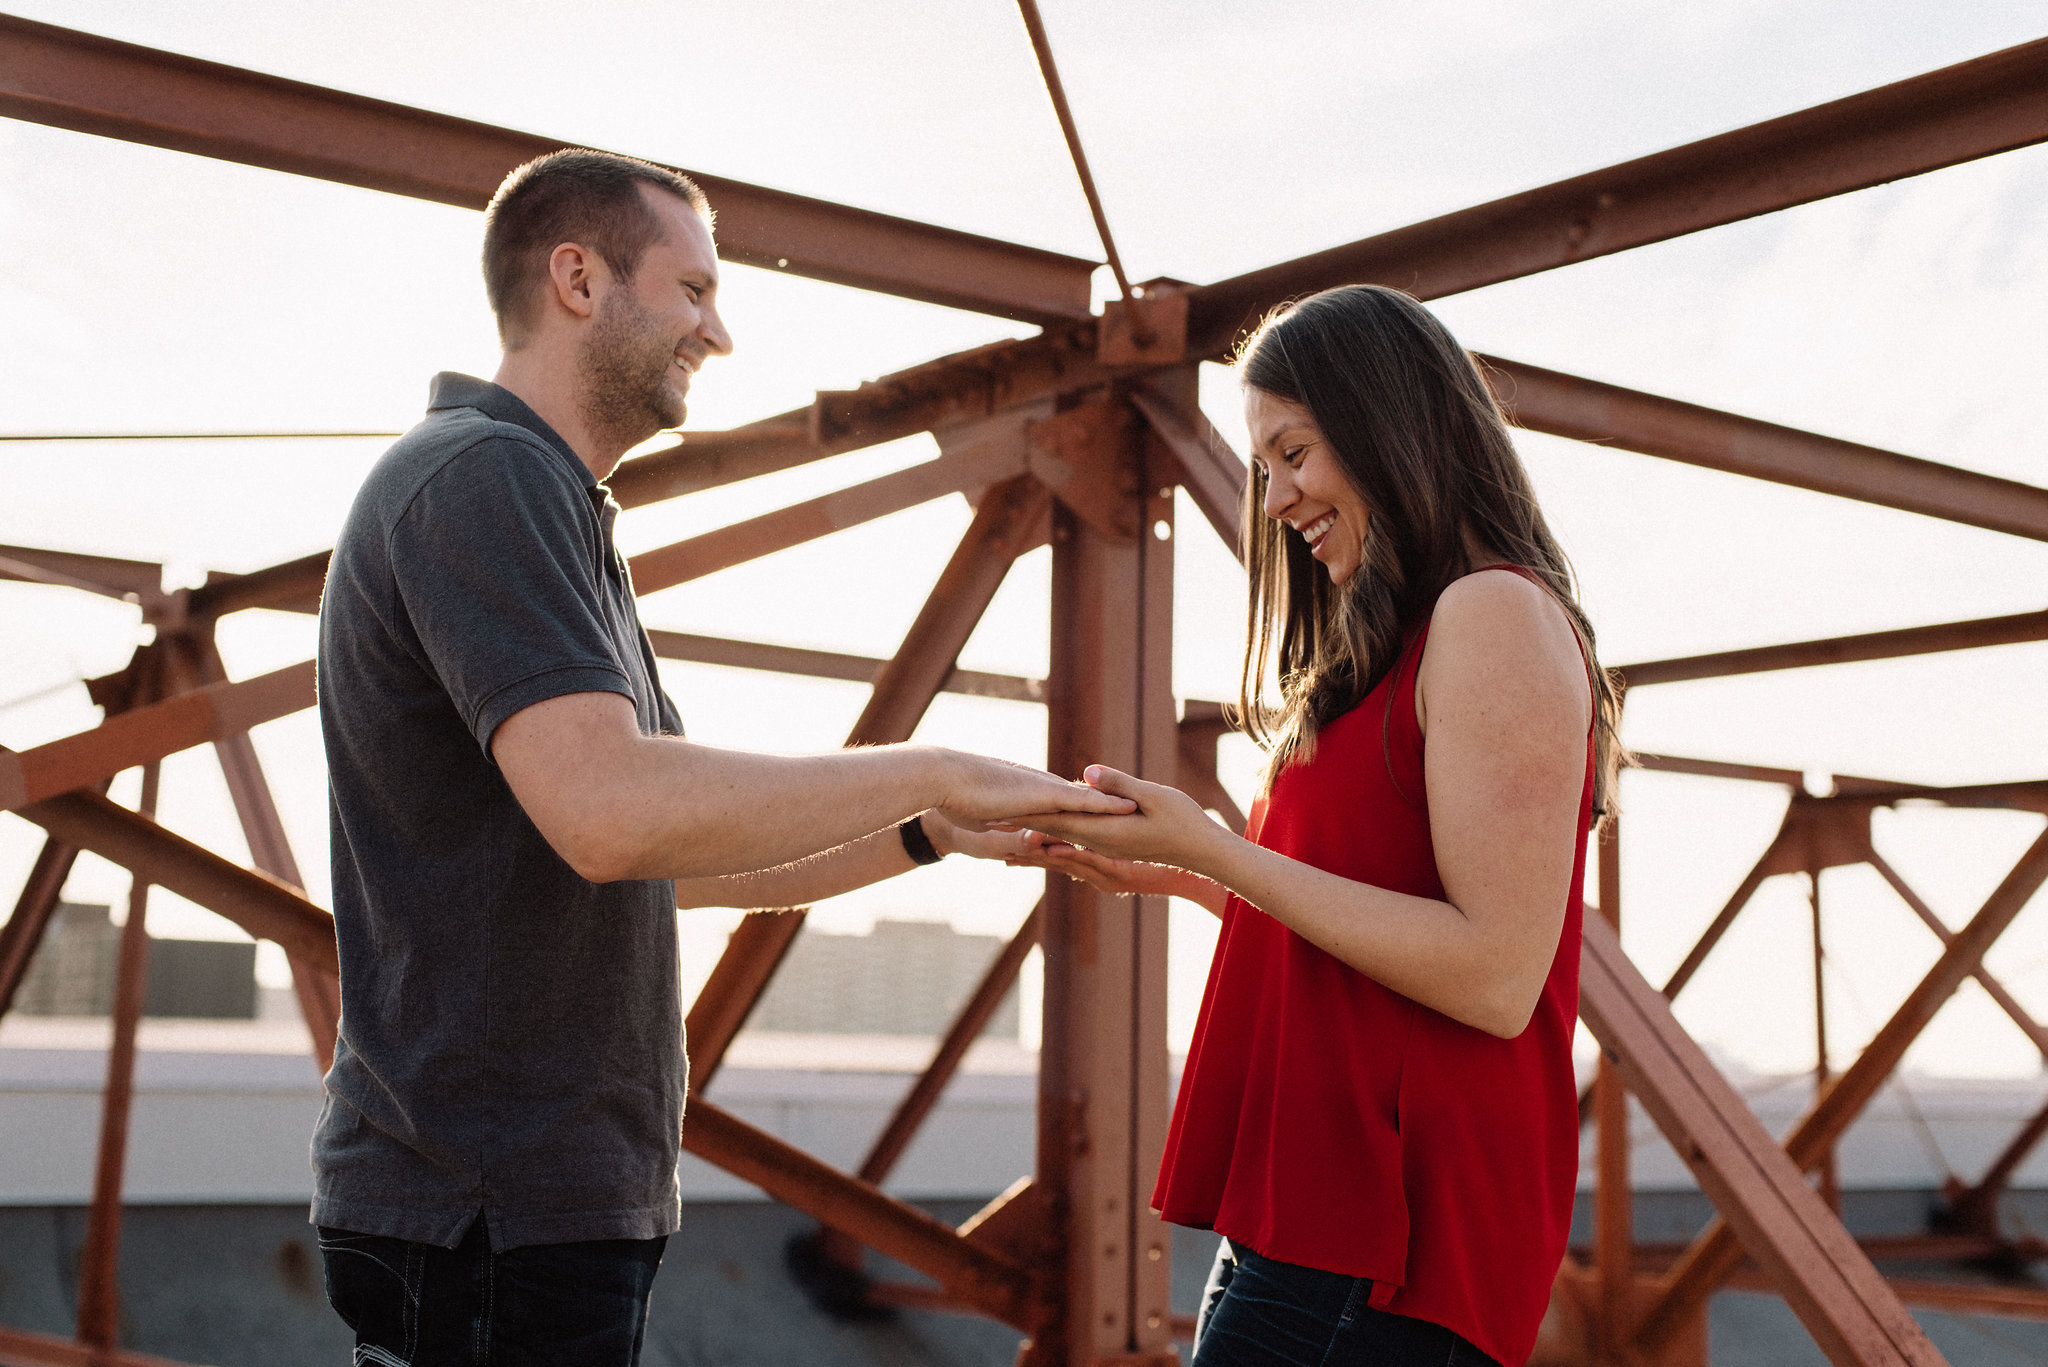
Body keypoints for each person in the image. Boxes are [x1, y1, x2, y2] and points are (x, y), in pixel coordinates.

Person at [311, 148, 1129, 1366]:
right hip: (488, 1213)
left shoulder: (549, 500)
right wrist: (928, 765)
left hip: (529, 1213)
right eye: (693, 289)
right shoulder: (486, 475)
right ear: (577, 279)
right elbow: (614, 817)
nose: (720, 332)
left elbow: (661, 855)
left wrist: (921, 834)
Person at [1015, 285, 1623, 1367]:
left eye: (1293, 451)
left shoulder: (1491, 614)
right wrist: (1193, 871)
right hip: (1311, 1219)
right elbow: (1382, 925)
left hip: (1388, 1238)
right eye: (1261, 466)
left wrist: (1219, 848)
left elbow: (1492, 970)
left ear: (1386, 423)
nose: (1277, 495)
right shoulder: (1397, 640)